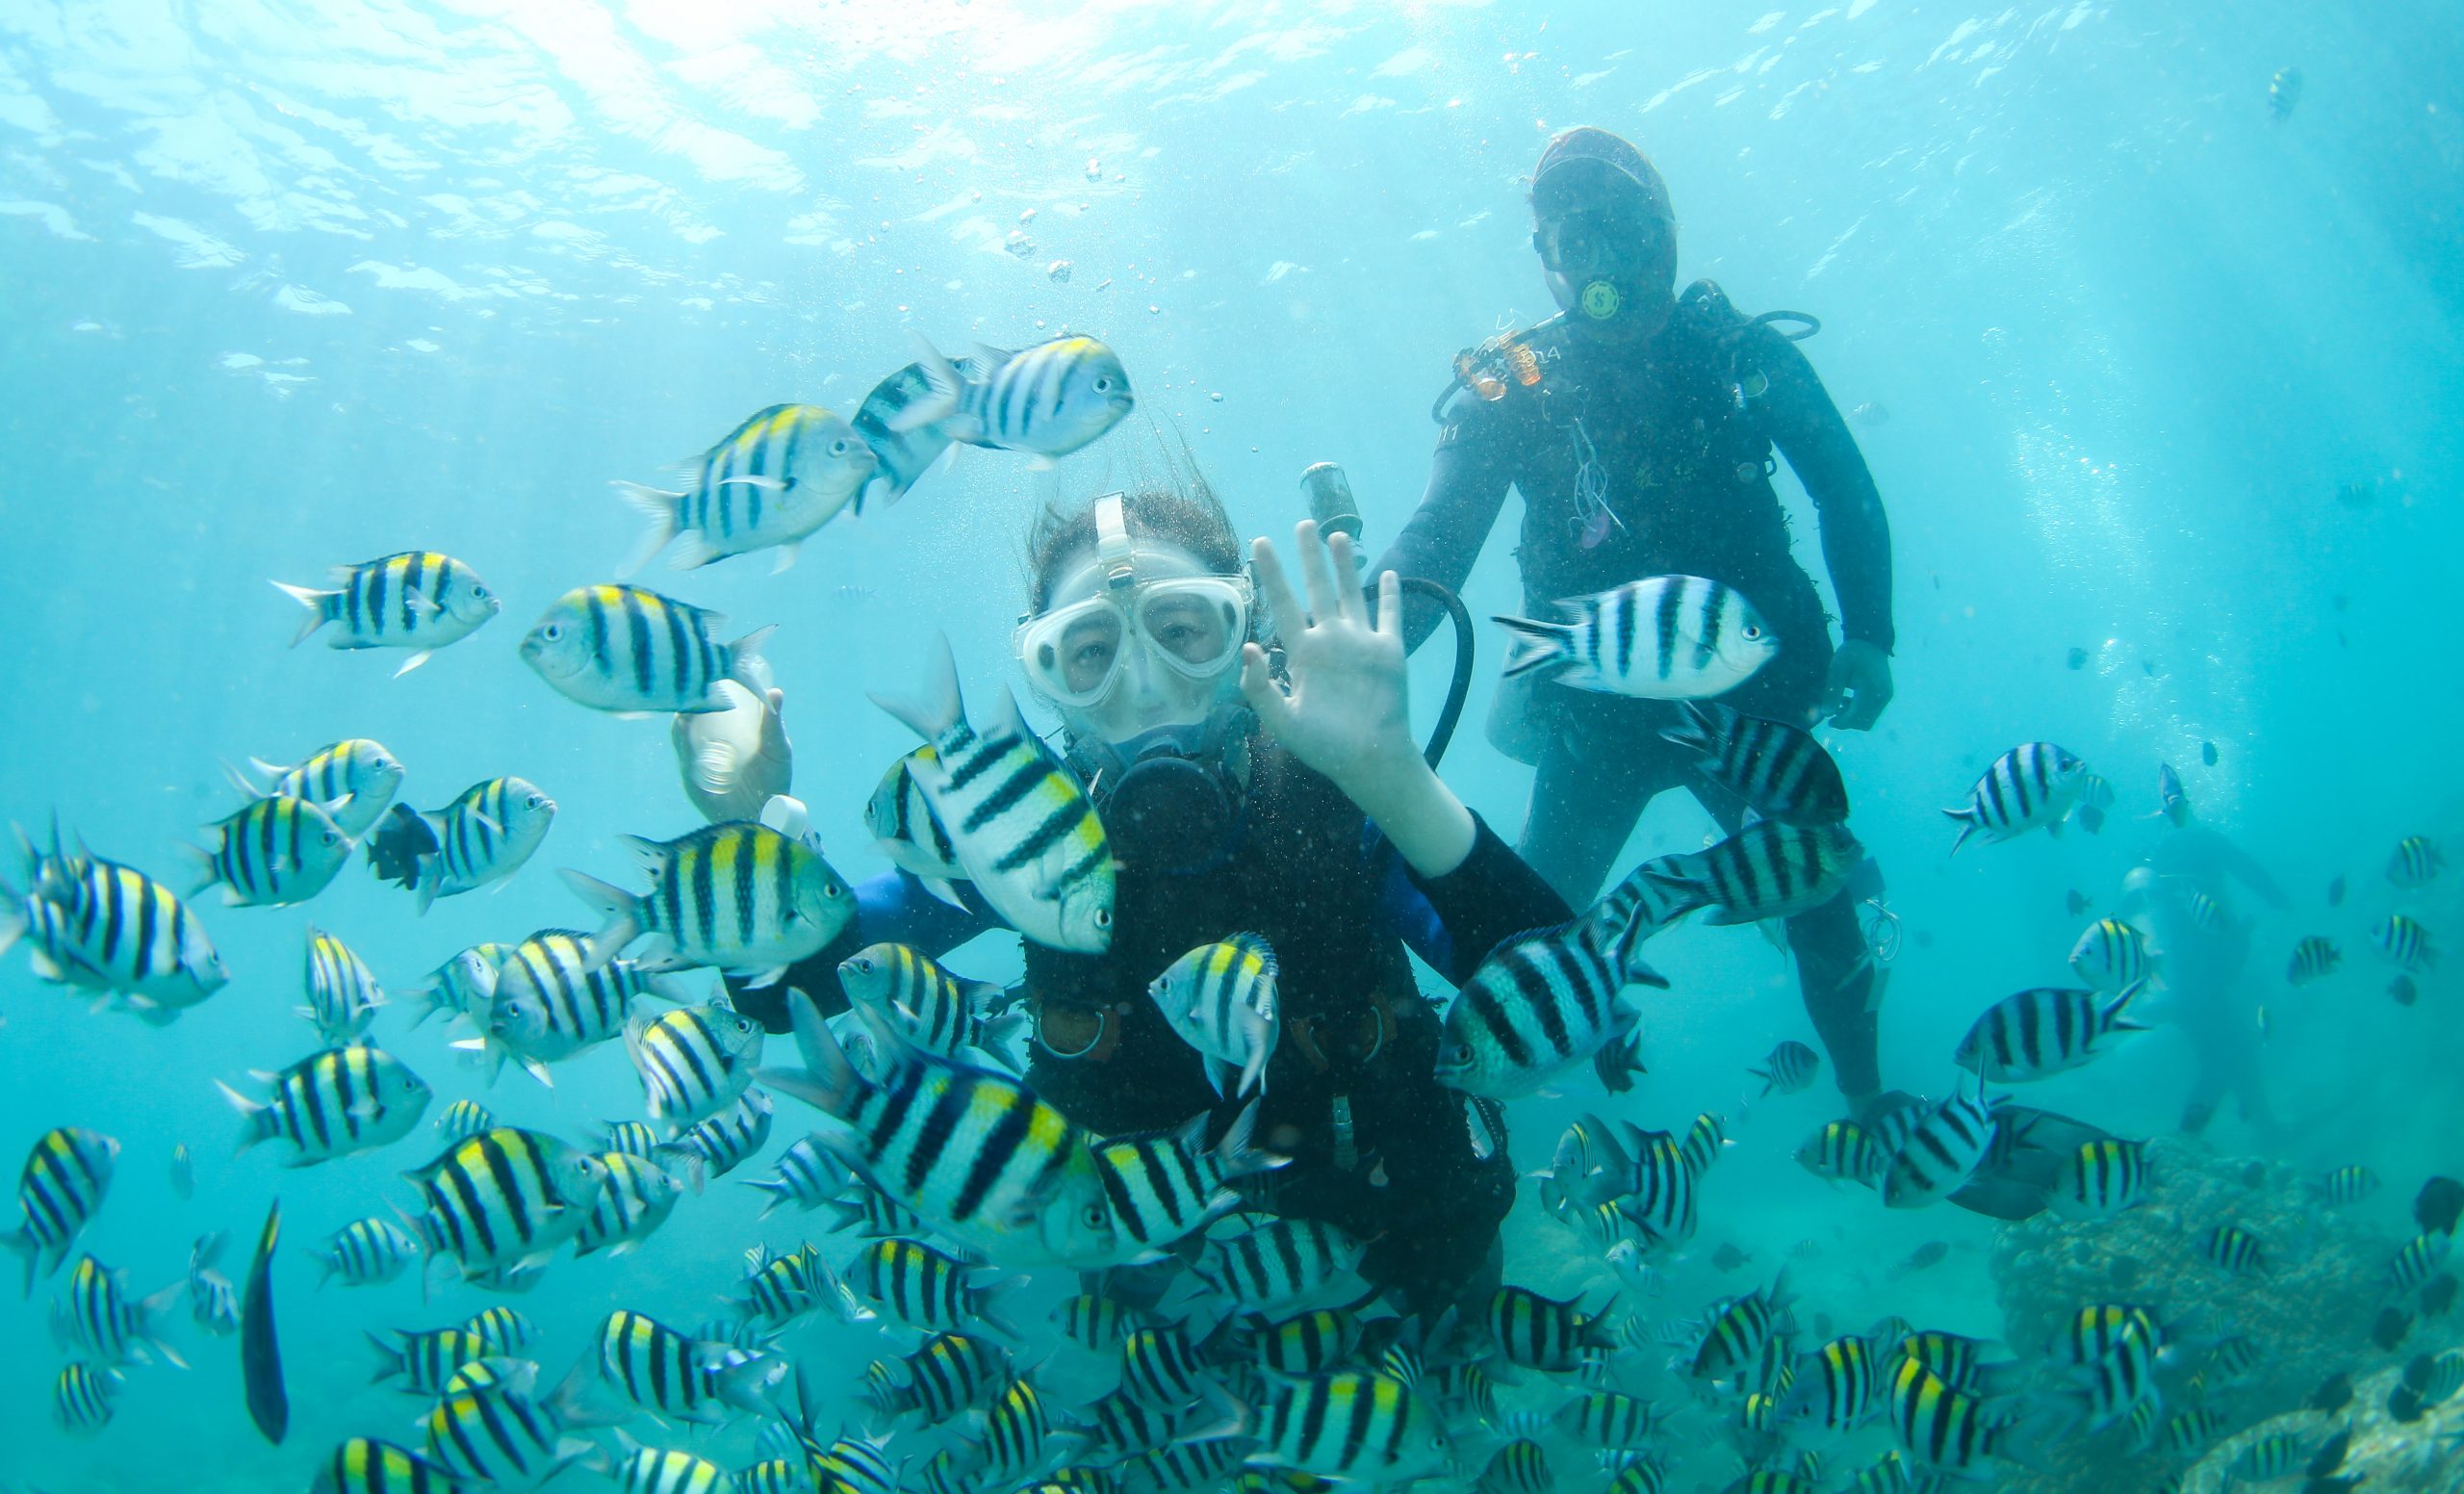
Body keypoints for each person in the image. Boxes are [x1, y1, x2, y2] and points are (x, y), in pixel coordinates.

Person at [708, 480, 1571, 1315]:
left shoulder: (1331, 794)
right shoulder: (1021, 841)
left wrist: (1395, 780)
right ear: (1046, 679)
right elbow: (793, 996)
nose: (1145, 685)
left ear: (1249, 641)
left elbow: (1567, 987)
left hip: (1382, 1206)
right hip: (1136, 1232)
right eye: (1089, 652)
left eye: (1184, 630)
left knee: (1456, 1307)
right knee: (1127, 1332)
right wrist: (742, 840)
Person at [1374, 125, 1897, 1112]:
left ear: (1671, 232)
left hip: (1759, 706)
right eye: (1580, 242)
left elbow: (1844, 486)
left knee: (1813, 892)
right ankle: (1471, 1128)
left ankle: (1871, 1108)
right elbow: (1434, 545)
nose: (1611, 263)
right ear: (1548, 262)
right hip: (1599, 718)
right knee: (1529, 953)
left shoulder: (1738, 354)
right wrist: (1346, 667)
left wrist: (1871, 632)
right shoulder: (1515, 390)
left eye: (1632, 230)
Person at [2121, 823, 2292, 1134]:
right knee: (2230, 1053)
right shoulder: (2204, 841)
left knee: (2225, 1051)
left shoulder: (2159, 863)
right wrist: (2279, 900)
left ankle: (2263, 1127)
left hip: (2169, 981)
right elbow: (2247, 869)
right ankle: (2190, 1139)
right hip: (2200, 981)